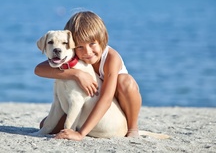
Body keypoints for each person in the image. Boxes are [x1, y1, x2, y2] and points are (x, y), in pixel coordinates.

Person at [34, 11, 142, 141]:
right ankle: (86, 126)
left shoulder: (111, 58)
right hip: (88, 103)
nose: (87, 52)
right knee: (45, 124)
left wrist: (81, 134)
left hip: (114, 103)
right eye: (80, 46)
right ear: (72, 45)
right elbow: (39, 69)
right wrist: (77, 74)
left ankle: (133, 128)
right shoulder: (73, 57)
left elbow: (106, 99)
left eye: (92, 44)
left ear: (103, 39)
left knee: (125, 81)